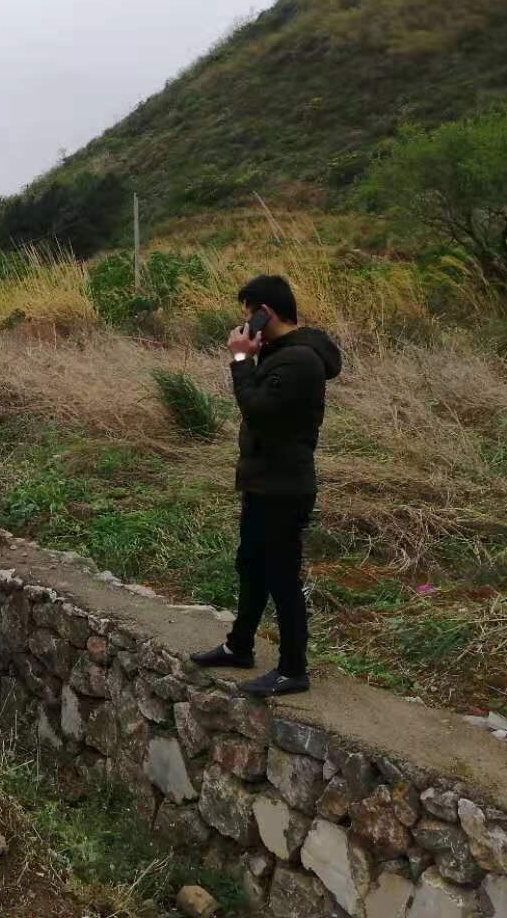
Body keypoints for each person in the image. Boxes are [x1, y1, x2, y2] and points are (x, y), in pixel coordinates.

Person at [189, 274, 341, 698]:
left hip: (284, 487)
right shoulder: (281, 354)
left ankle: (294, 668)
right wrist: (253, 359)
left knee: (280, 576)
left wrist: (240, 362)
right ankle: (239, 646)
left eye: (248, 314)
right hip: (265, 482)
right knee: (251, 566)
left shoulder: (300, 362)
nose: (245, 323)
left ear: (264, 313)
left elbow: (258, 409)